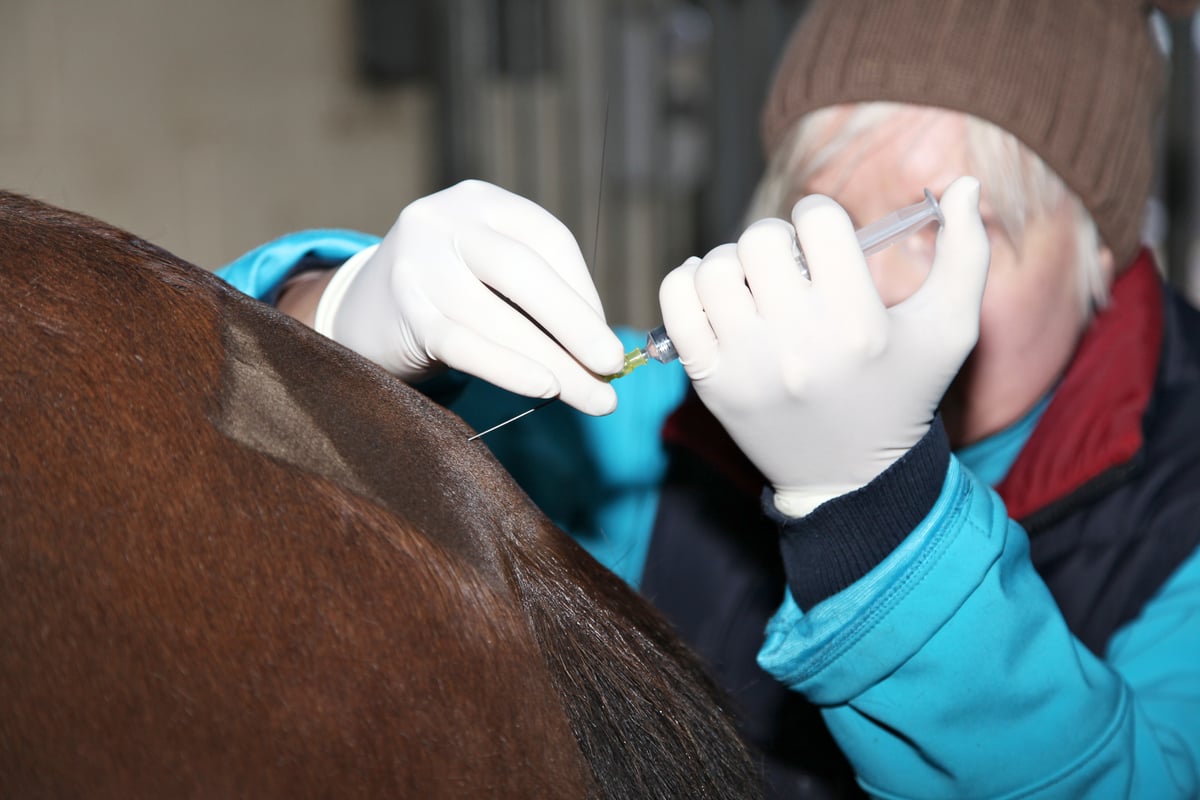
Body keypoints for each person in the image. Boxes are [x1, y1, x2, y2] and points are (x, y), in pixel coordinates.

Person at [217, 0, 1200, 796]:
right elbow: (227, 483)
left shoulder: (1180, 513)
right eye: (827, 220)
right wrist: (325, 321)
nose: (861, 291)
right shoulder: (664, 438)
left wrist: (879, 519)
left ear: (1103, 260)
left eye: (938, 232)